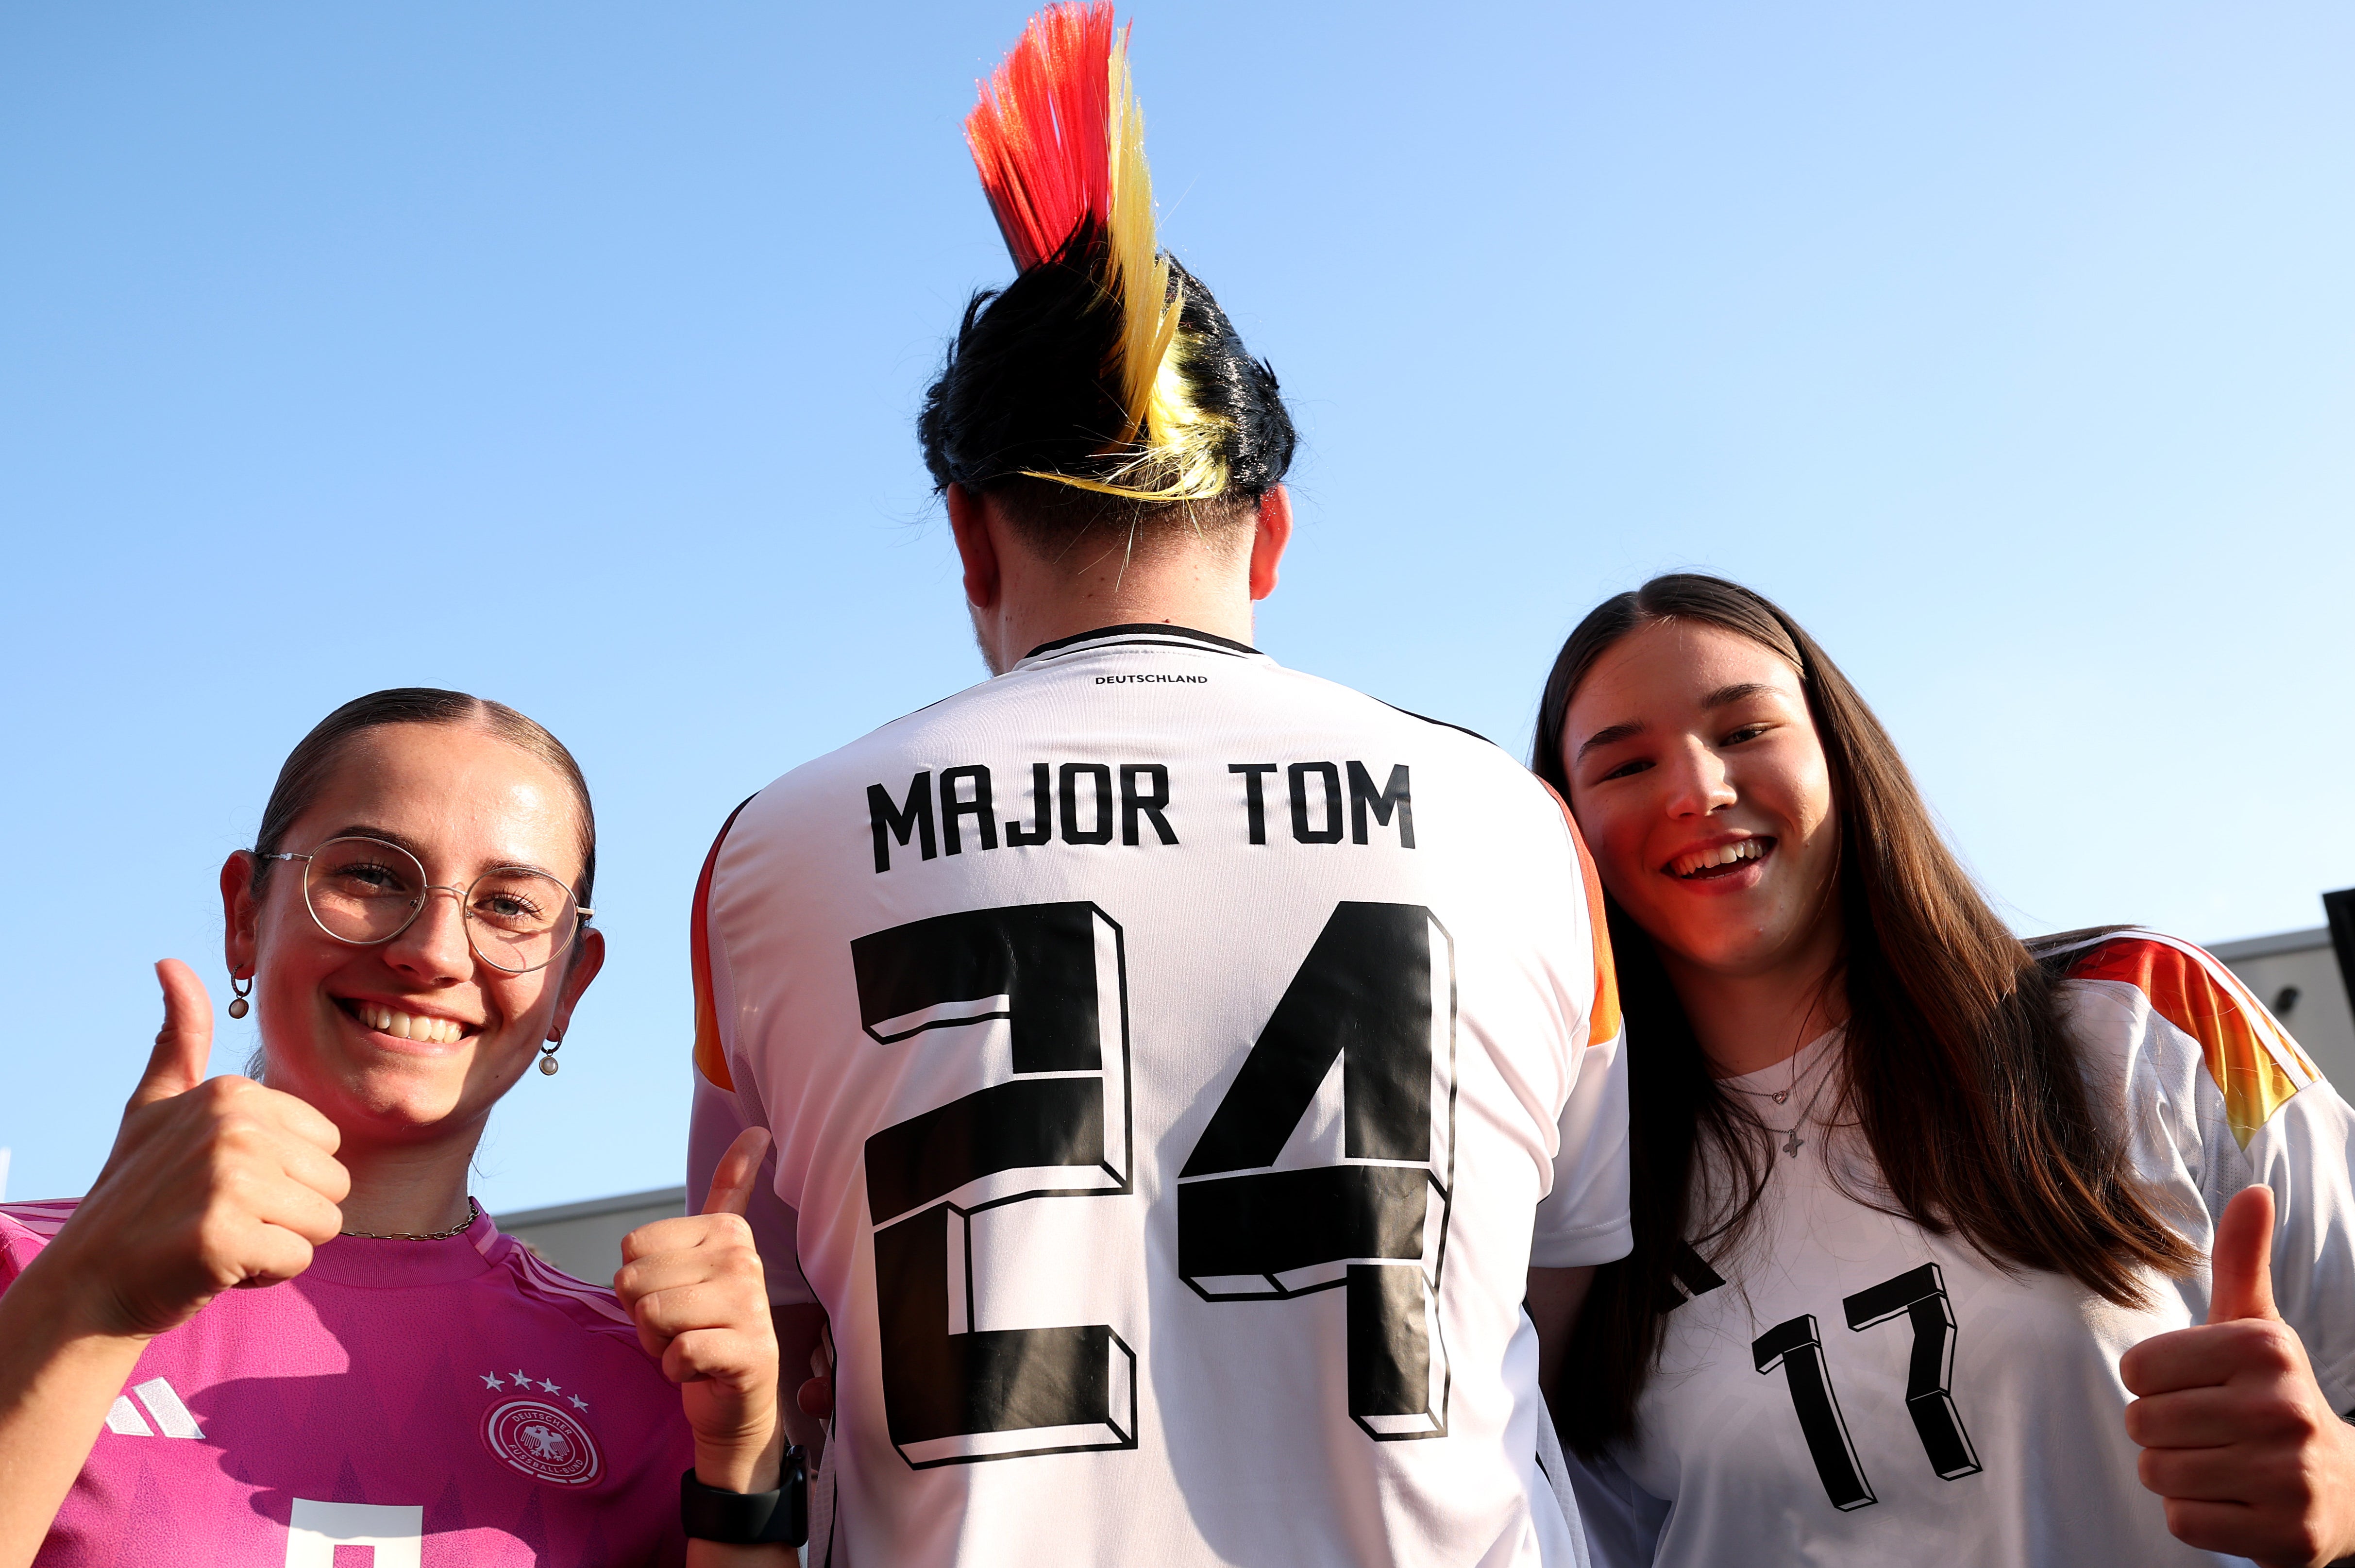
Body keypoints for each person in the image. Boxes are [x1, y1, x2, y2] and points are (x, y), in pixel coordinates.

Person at [681, 6, 1630, 1565]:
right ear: (1268, 534)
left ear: (971, 535)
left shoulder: (768, 852)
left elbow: (792, 1327)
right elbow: (1557, 1282)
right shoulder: (1520, 829)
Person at [1530, 573, 2355, 1567]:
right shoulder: (1563, 1191)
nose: (1698, 789)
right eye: (1623, 765)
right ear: (1566, 832)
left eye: (1746, 730)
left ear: (1840, 752)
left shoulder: (2147, 1009)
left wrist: (2345, 1488)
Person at [0, 688, 798, 1567]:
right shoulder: (19, 1267)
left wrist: (742, 1464)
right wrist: (90, 1301)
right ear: (243, 913)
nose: (434, 952)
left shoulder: (657, 1379)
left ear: (570, 985)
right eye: (373, 875)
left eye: (509, 905)